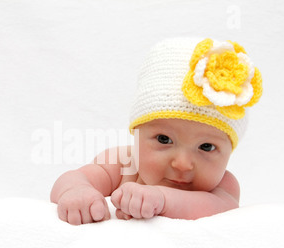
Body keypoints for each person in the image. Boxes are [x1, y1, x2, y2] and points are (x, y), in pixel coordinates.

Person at [50, 37, 263, 225]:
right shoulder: (123, 163)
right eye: (164, 139)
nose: (182, 164)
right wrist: (76, 191)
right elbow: (74, 178)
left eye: (206, 147)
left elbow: (219, 210)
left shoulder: (223, 187)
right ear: (137, 134)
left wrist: (161, 199)